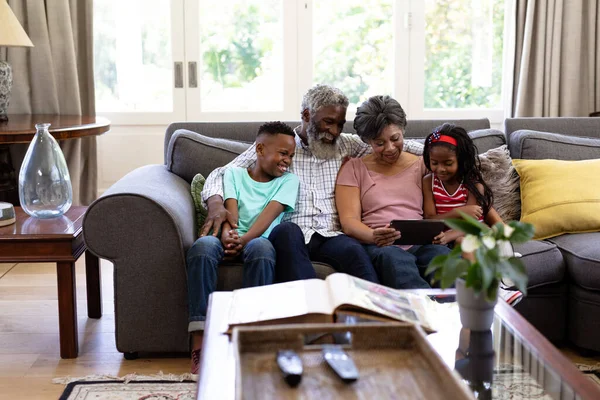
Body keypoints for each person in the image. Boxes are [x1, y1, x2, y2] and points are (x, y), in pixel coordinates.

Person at [200, 84, 423, 284]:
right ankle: (308, 315)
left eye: (339, 124)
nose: (334, 131)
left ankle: (371, 319)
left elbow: (398, 146)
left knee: (356, 255)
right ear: (306, 115)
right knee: (287, 231)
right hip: (291, 232)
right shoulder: (281, 146)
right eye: (328, 122)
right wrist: (215, 204)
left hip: (331, 235)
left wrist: (447, 152)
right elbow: (223, 172)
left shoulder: (347, 144)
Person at [186, 121, 300, 374]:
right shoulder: (234, 174)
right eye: (283, 153)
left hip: (258, 238)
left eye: (291, 155)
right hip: (231, 233)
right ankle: (200, 339)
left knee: (262, 250)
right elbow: (230, 210)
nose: (287, 160)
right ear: (260, 150)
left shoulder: (289, 182)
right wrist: (229, 235)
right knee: (203, 246)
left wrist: (243, 240)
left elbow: (267, 218)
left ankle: (251, 338)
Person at [335, 95, 451, 289]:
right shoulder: (353, 168)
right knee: (395, 260)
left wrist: (442, 233)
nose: (389, 148)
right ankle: (423, 315)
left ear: (403, 130)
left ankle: (458, 312)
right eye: (379, 143)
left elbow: (449, 200)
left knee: (443, 258)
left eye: (395, 139)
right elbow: (349, 222)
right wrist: (373, 235)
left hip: (422, 243)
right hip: (380, 246)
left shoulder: (424, 164)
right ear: (367, 141)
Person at [421, 123, 524, 306]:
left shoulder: (473, 185)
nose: (440, 169)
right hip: (448, 234)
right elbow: (429, 218)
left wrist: (450, 234)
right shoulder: (429, 182)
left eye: (448, 163)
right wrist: (458, 212)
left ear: (462, 160)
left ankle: (494, 290)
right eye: (434, 162)